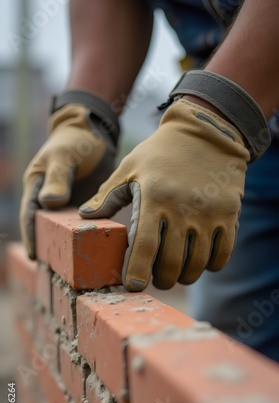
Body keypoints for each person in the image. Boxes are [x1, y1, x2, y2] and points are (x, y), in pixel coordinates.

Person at [20, 0, 279, 361]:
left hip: (239, 117)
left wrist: (214, 123)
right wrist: (85, 115)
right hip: (247, 142)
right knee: (239, 350)